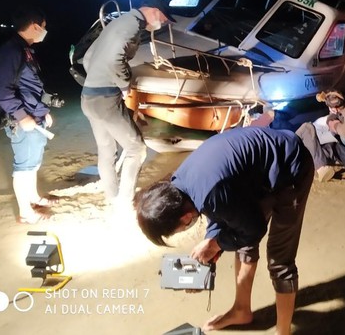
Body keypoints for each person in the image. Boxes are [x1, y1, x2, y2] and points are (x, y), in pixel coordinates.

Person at [134, 127, 313, 335]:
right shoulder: (179, 183)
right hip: (258, 173)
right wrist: (212, 241)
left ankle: (283, 331)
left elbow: (254, 228)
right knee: (241, 236)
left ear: (184, 218)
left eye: (176, 231)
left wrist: (216, 244)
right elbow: (222, 208)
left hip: (291, 166)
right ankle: (241, 310)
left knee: (279, 260)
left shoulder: (209, 192)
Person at [81, 0, 177, 209]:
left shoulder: (118, 21)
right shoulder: (131, 26)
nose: (164, 23)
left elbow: (88, 57)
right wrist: (124, 85)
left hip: (88, 95)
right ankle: (125, 200)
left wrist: (96, 77)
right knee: (136, 147)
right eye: (164, 18)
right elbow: (115, 59)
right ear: (154, 10)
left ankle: (112, 196)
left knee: (106, 149)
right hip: (106, 99)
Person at [0, 6, 58, 224]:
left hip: (34, 117)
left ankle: (33, 198)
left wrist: (43, 111)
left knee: (33, 163)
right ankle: (26, 213)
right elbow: (2, 91)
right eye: (43, 27)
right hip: (24, 121)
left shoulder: (25, 49)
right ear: (35, 26)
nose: (45, 31)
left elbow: (31, 86)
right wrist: (22, 116)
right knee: (24, 167)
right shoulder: (11, 50)